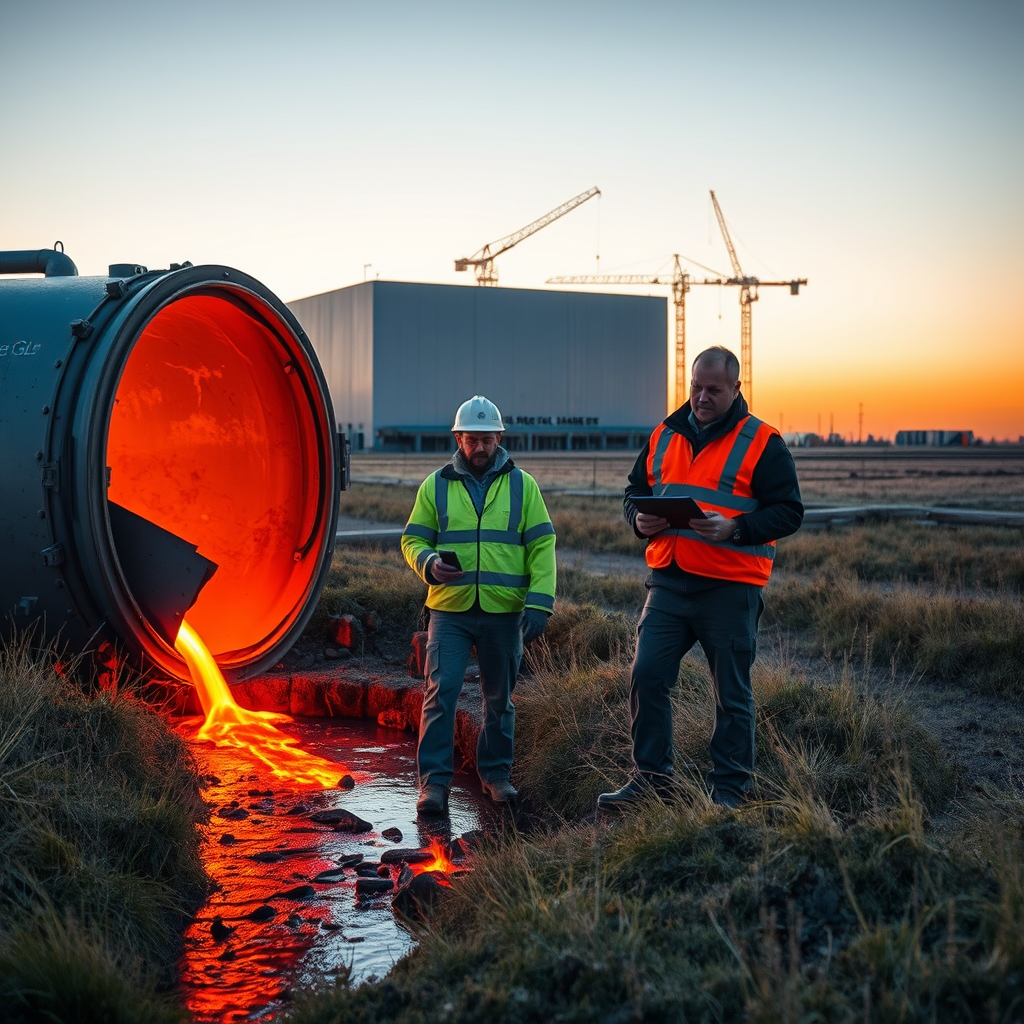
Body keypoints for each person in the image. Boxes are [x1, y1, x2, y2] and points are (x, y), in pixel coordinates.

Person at [598, 346, 803, 811]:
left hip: (730, 587)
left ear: (736, 389)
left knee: (731, 693)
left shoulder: (763, 441)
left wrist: (736, 528)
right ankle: (651, 779)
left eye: (714, 389)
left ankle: (729, 791)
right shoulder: (664, 434)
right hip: (668, 581)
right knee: (646, 675)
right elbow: (636, 491)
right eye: (696, 387)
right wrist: (638, 519)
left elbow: (789, 512)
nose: (702, 397)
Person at [402, 395, 556, 815]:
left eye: (488, 439)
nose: (481, 447)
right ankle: (433, 785)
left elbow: (542, 545)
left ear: (499, 437)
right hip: (449, 610)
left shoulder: (524, 487)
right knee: (441, 693)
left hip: (504, 613)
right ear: (459, 438)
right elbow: (412, 539)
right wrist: (430, 564)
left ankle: (496, 777)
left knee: (499, 700)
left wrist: (540, 604)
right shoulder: (435, 485)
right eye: (473, 439)